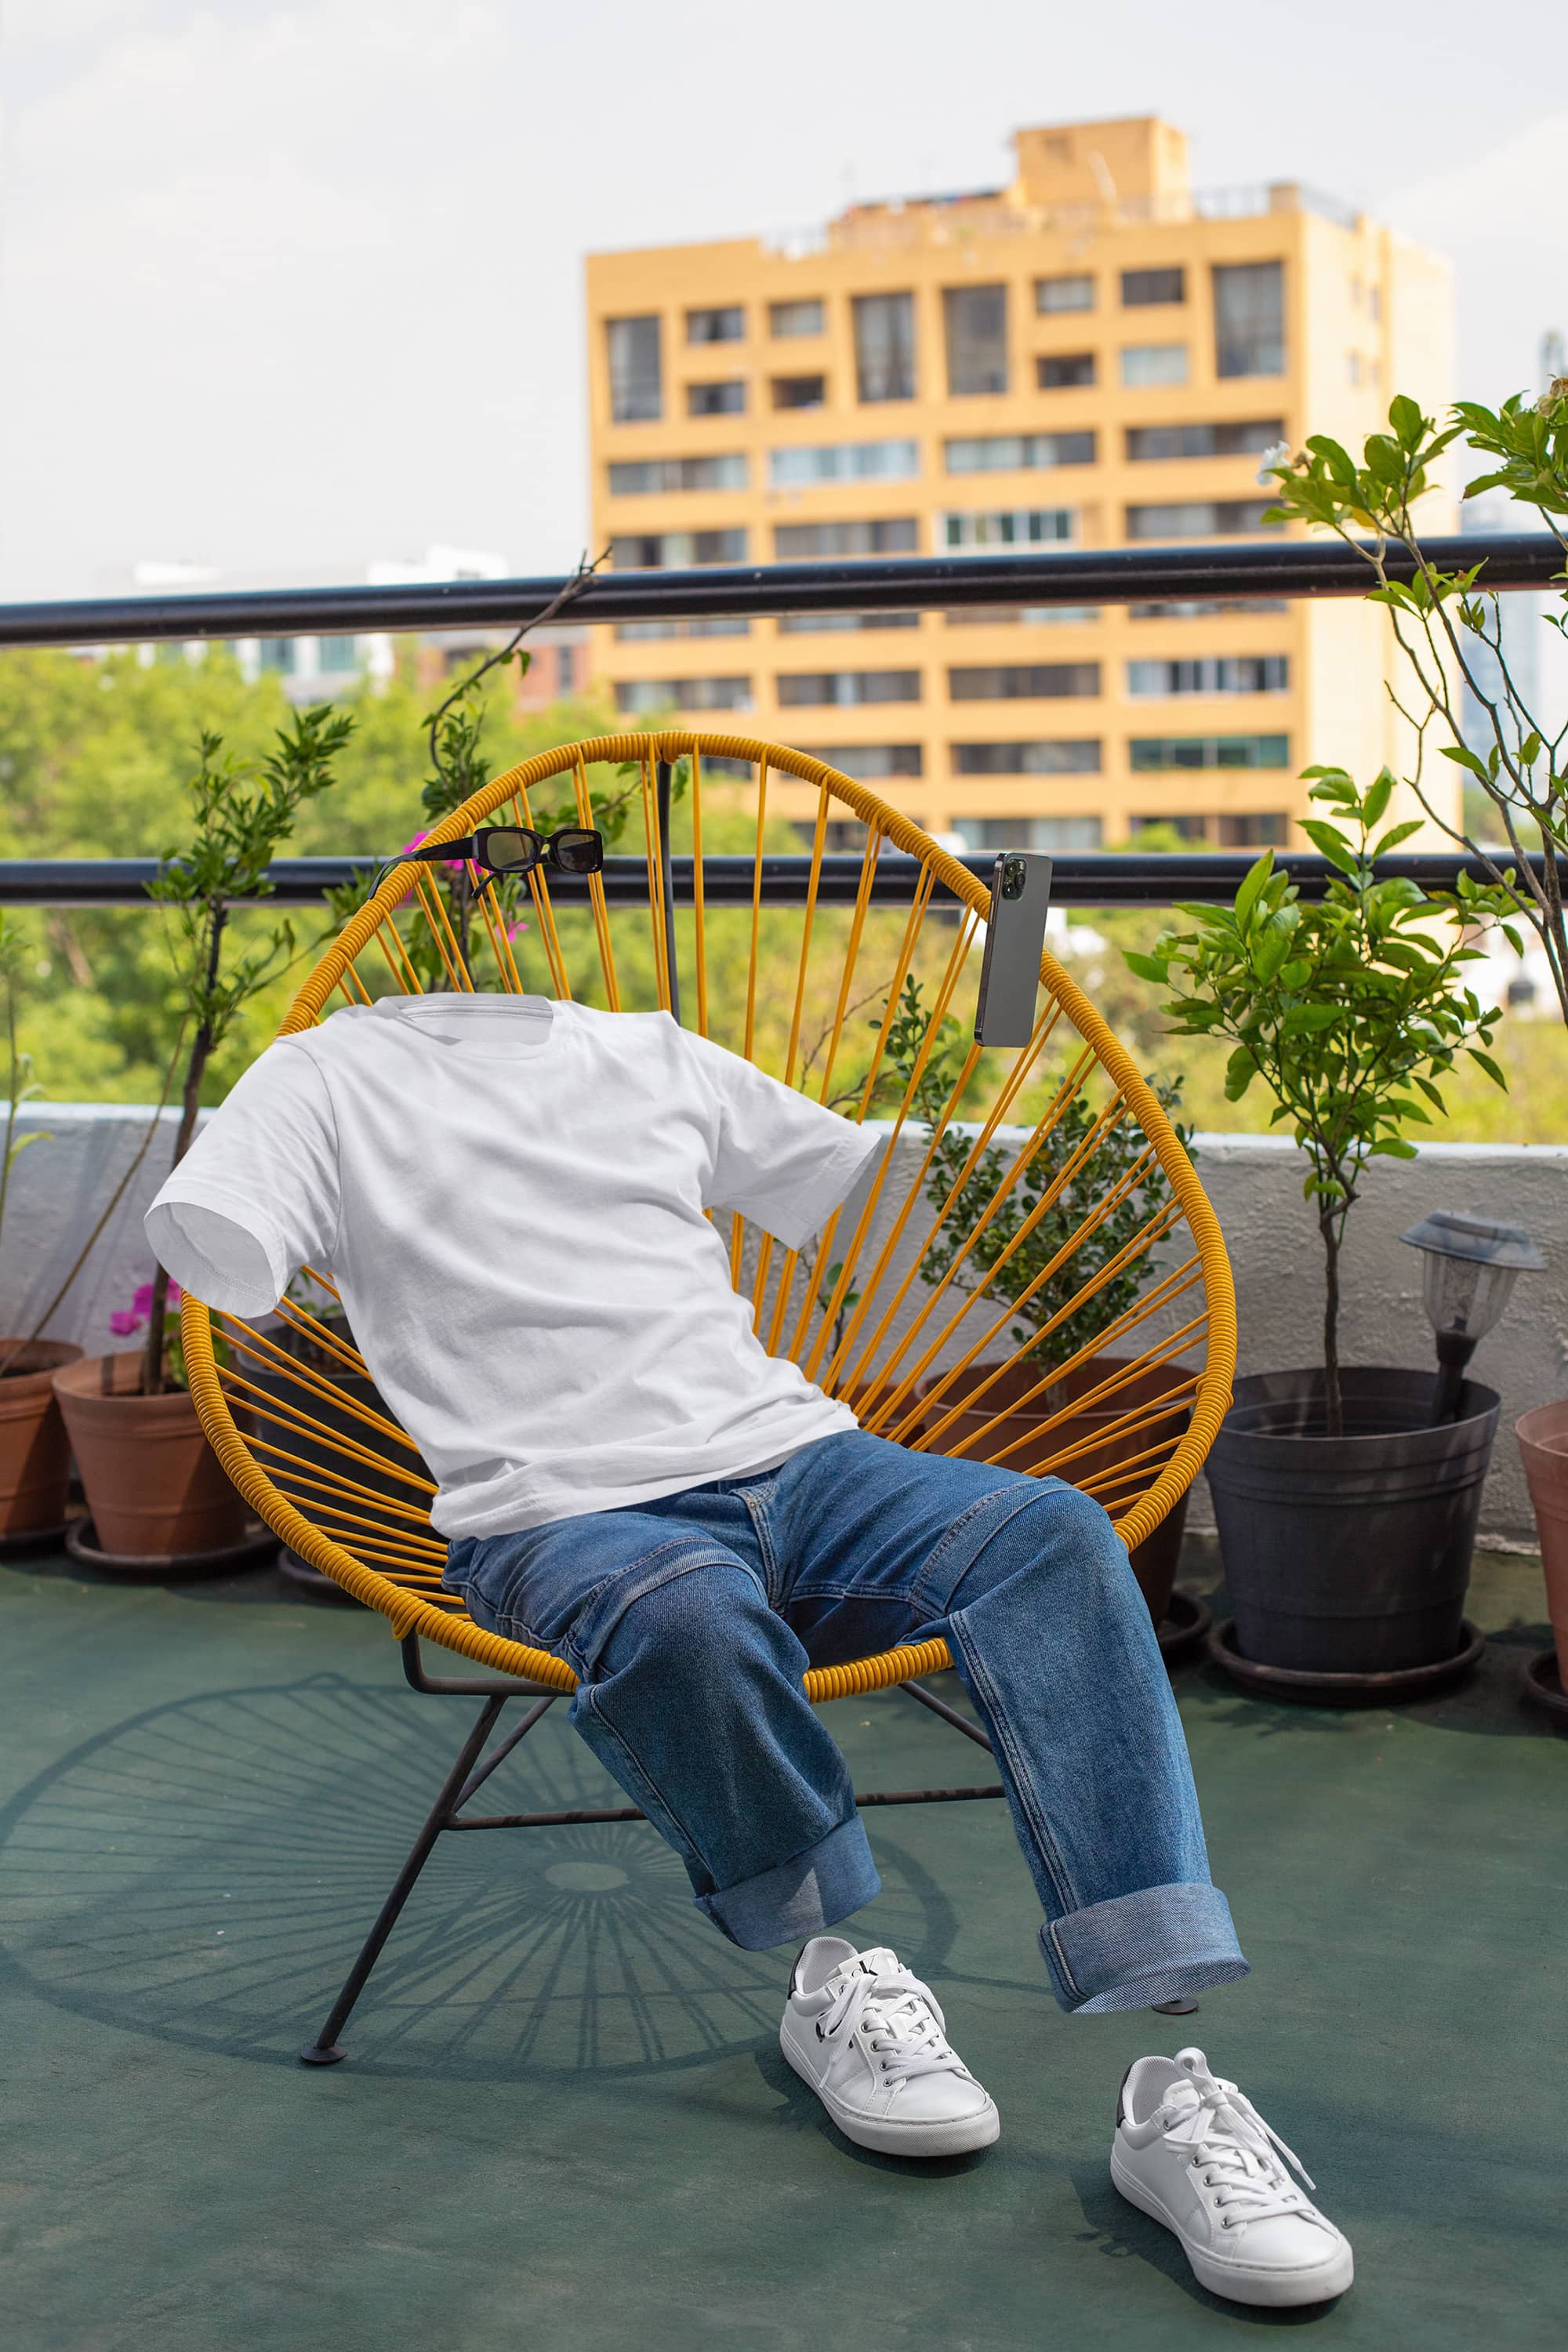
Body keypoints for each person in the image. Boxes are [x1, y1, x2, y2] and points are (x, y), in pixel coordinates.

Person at [146, 988, 1353, 2310]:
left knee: (1051, 1531)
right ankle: (831, 1960)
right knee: (682, 1618)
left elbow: (811, 1166)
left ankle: (1156, 2008)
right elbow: (226, 1254)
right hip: (561, 1513)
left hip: (804, 1460)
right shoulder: (322, 1079)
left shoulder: (643, 1051)